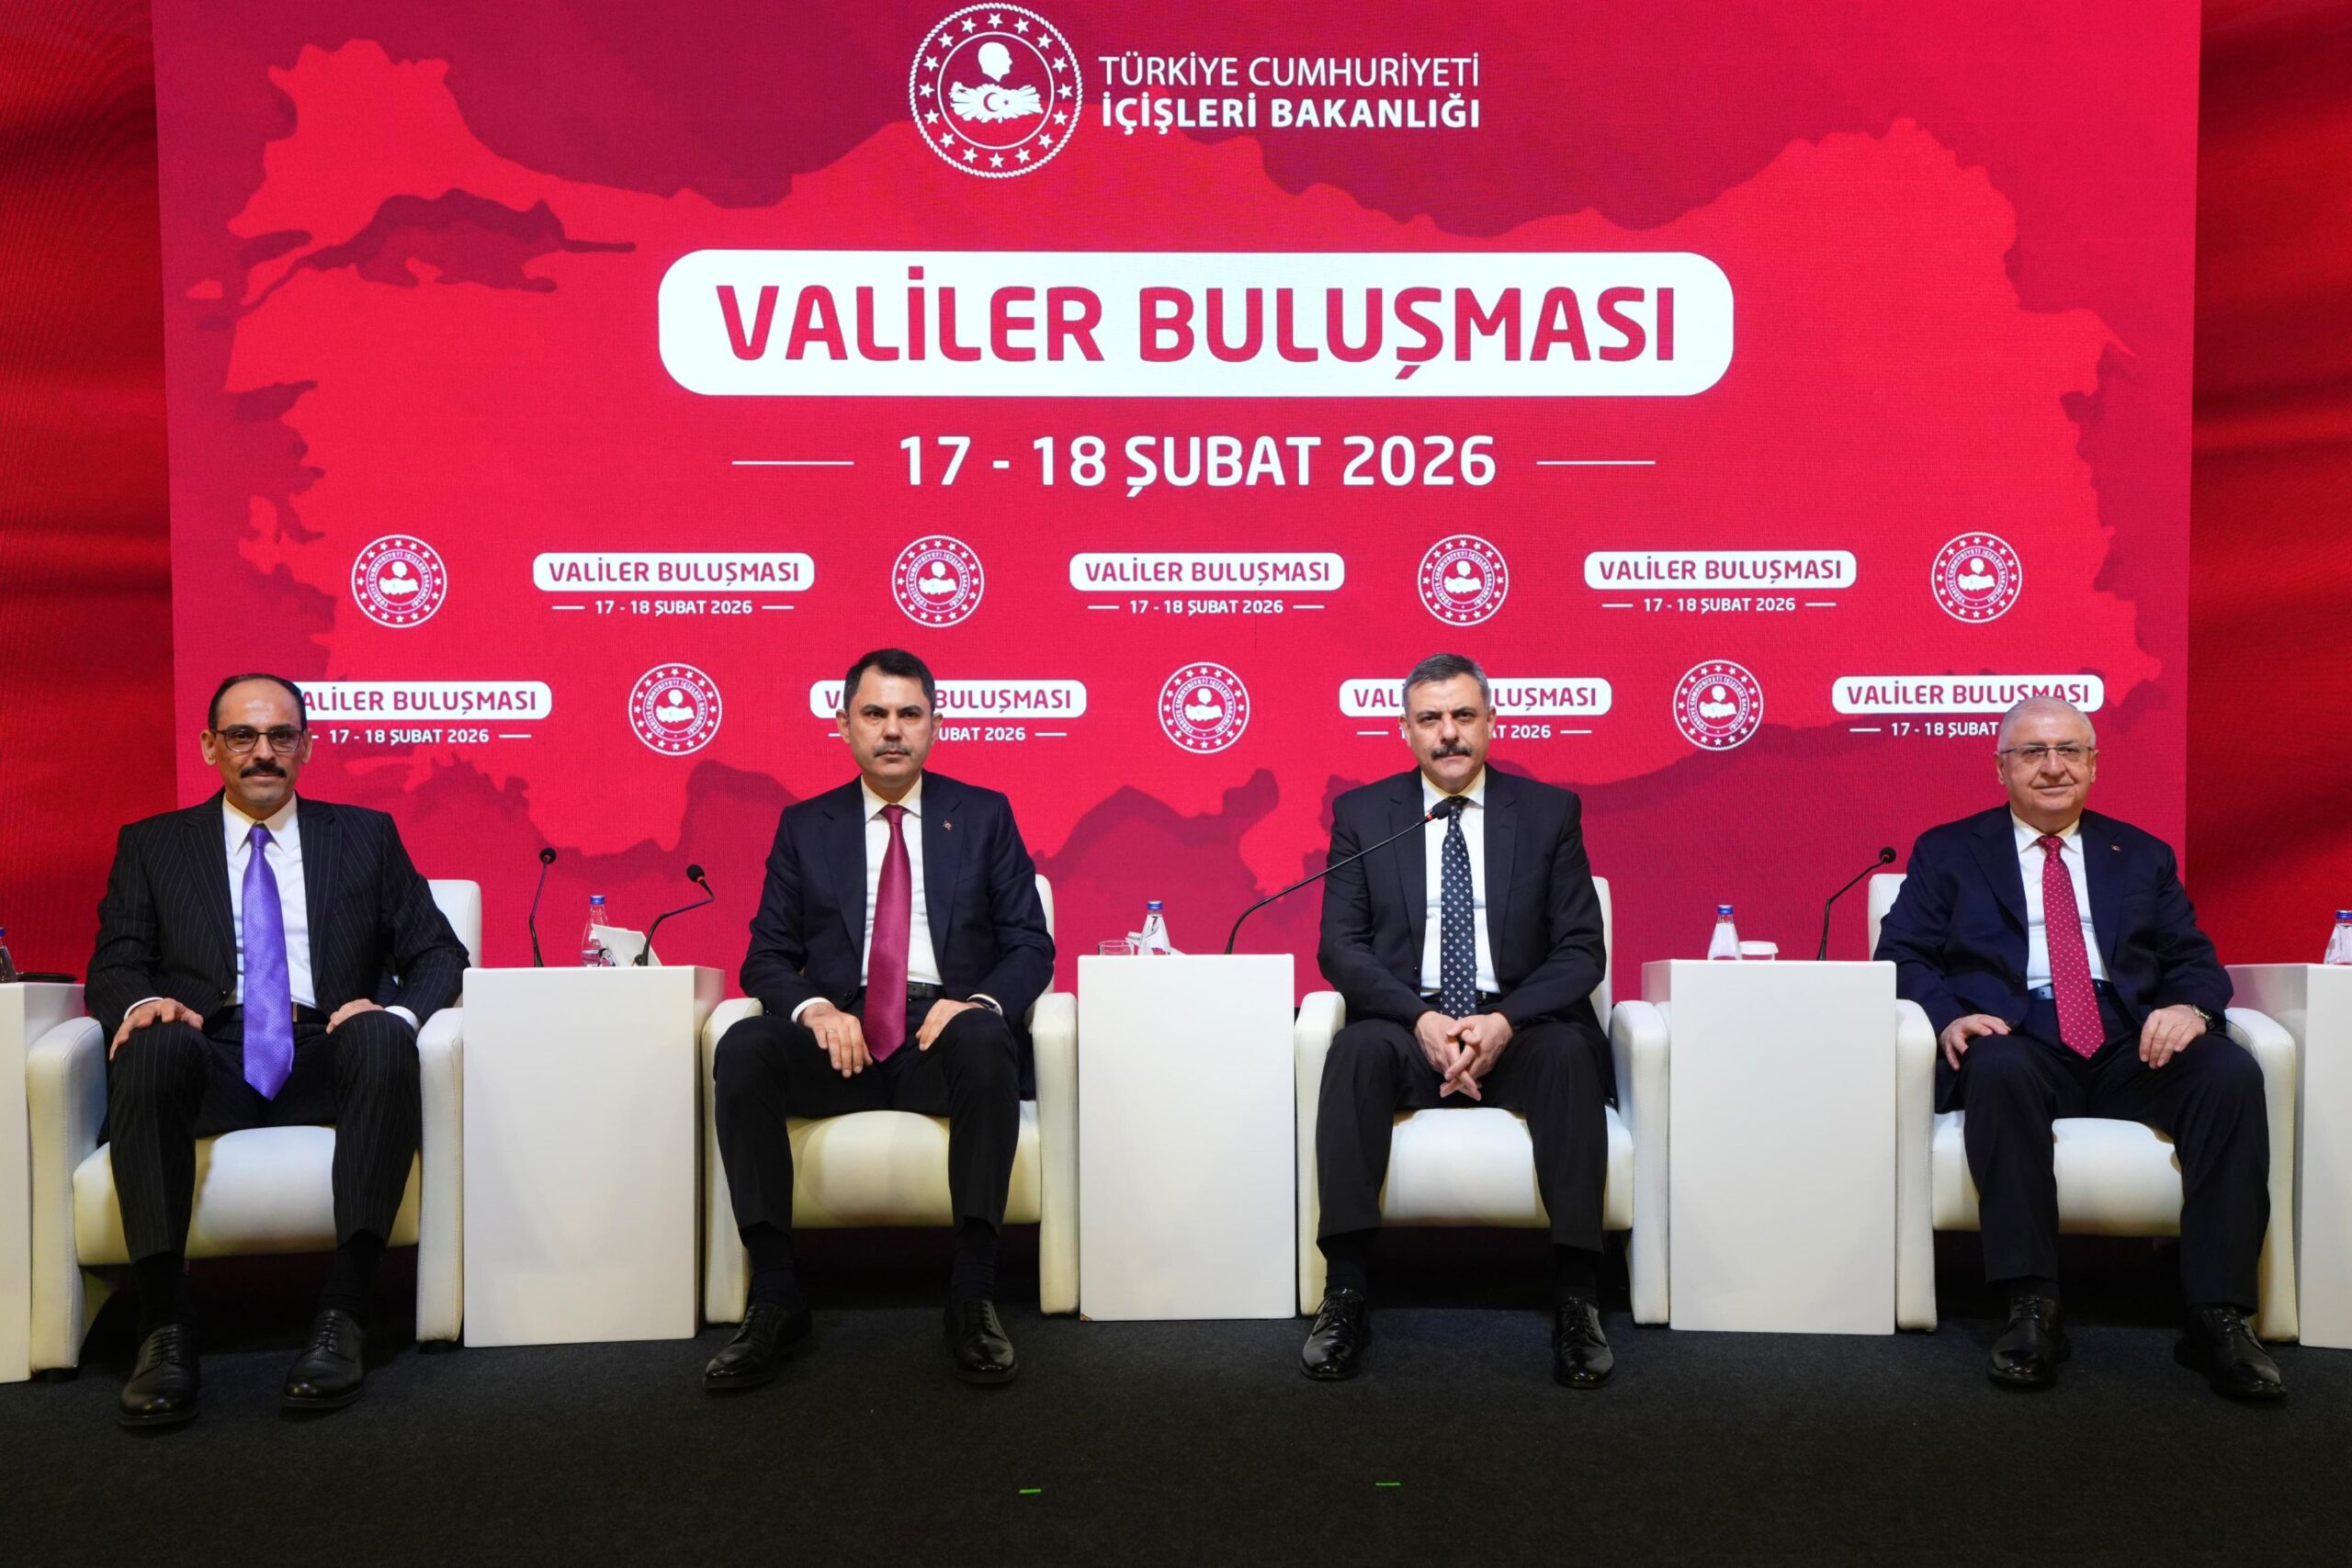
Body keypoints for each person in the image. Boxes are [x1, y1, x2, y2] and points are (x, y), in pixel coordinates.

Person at [88, 673, 468, 1427]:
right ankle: (163, 1322)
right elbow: (116, 961)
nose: (263, 752)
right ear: (211, 747)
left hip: (324, 1046)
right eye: (242, 735)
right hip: (209, 1050)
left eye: (280, 735)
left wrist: (393, 1009)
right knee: (152, 1045)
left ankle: (345, 1311)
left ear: (306, 746)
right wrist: (141, 1005)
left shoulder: (364, 835)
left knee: (384, 1036)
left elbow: (438, 954)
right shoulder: (153, 844)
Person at [1875, 696, 2282, 1399]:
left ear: (2094, 764)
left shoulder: (2143, 854)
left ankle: (2217, 1314)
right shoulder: (1949, 850)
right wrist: (1947, 1019)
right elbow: (1903, 952)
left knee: (2229, 1071)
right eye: (2033, 751)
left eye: (2069, 750)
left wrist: (2188, 1007)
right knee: (1996, 1066)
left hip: (2129, 1037)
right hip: (2015, 1032)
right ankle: (2033, 1304)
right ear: (2001, 767)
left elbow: (2193, 959)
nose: (2053, 766)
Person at [705, 648, 1053, 1391]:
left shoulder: (984, 815)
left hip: (942, 1034)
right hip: (844, 1039)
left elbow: (1030, 943)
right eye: (874, 713)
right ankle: (776, 1294)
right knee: (744, 1044)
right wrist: (816, 1008)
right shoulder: (806, 826)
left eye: (908, 714)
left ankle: (972, 1292)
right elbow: (766, 955)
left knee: (986, 1036)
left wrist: (976, 1002)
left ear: (934, 725)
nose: (892, 730)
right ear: (844, 725)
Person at [1303, 653, 1616, 1387]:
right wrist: (1421, 1019)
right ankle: (1345, 1291)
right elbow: (1340, 947)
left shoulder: (1548, 813)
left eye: (1463, 715)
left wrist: (1502, 1020)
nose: (1448, 733)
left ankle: (1577, 1296)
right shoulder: (1364, 816)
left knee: (1570, 1055)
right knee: (1353, 1052)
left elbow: (1581, 949)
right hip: (1409, 1027)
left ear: (1491, 722)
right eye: (1430, 718)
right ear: (1405, 731)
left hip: (1520, 1027)